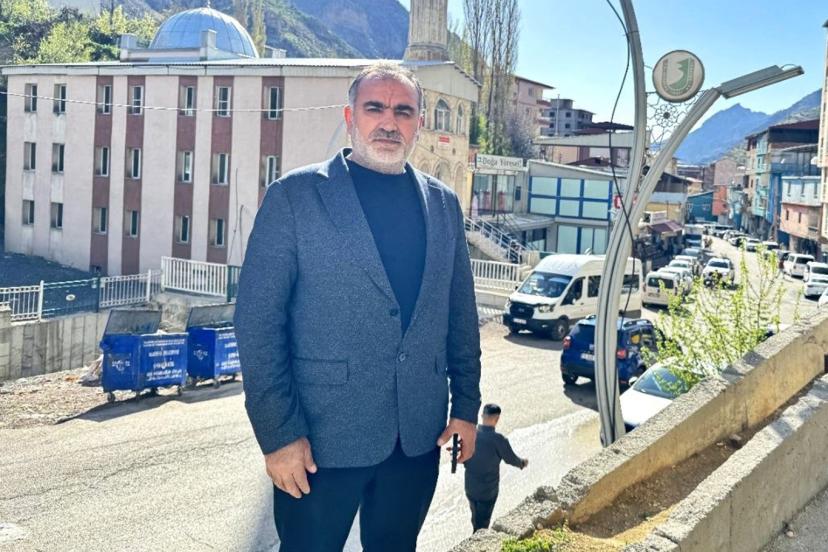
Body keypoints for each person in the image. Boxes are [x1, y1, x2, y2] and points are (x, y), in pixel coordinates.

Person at [234, 61, 482, 552]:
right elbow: (258, 322)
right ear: (350, 116)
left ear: (419, 123)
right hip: (318, 442)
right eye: (375, 108)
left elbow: (460, 316)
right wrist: (278, 435)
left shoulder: (443, 205)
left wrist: (467, 409)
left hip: (416, 438)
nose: (389, 122)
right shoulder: (295, 197)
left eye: (403, 111)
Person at [463, 403, 528, 532]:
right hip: (488, 490)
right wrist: (522, 463)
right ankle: (478, 538)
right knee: (483, 522)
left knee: (475, 515)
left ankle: (475, 532)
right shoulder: (499, 440)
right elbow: (511, 459)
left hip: (470, 487)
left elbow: (462, 458)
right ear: (497, 419)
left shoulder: (470, 434)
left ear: (482, 416)